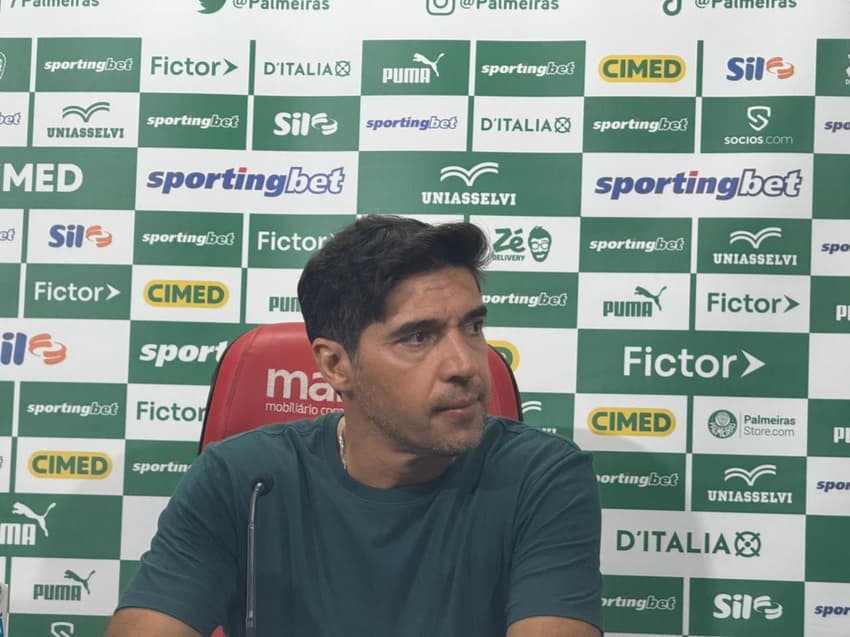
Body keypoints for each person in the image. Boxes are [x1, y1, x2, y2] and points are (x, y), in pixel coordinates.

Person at [104, 215, 603, 637]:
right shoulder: (242, 481)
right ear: (337, 365)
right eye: (418, 337)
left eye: (473, 327)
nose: (466, 364)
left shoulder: (542, 478)